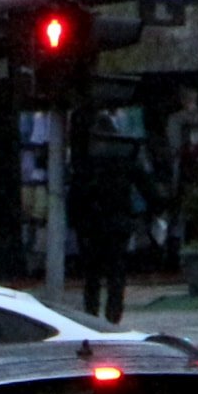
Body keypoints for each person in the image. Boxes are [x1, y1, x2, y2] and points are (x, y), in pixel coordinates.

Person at [72, 121, 148, 326]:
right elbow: (147, 188)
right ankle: (112, 317)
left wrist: (76, 222)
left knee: (92, 275)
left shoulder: (87, 163)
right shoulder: (125, 160)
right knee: (116, 273)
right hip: (116, 224)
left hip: (92, 226)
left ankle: (91, 316)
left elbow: (76, 196)